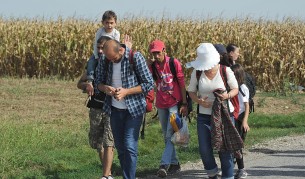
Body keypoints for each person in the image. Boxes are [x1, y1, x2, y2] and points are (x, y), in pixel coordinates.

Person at [96, 39, 154, 179]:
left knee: (129, 146)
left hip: (134, 110)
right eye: (109, 58)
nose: (111, 61)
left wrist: (126, 92)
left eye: (113, 58)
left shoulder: (135, 57)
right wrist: (105, 88)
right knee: (121, 148)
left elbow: (149, 84)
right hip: (114, 110)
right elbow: (98, 82)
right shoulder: (106, 59)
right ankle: (127, 176)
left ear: (121, 50)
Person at [187, 43, 242, 179]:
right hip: (204, 116)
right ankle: (212, 173)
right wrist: (199, 101)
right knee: (205, 149)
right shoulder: (197, 72)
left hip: (224, 115)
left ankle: (228, 176)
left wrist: (227, 96)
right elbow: (191, 91)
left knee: (225, 149)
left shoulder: (225, 71)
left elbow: (235, 89)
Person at [146, 39, 188, 178]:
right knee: (166, 135)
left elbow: (181, 84)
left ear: (164, 50)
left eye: (158, 53)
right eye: (154, 53)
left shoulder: (173, 63)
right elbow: (148, 81)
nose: (156, 56)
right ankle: (175, 164)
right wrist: (147, 66)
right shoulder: (153, 66)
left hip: (174, 104)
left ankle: (164, 165)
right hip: (161, 104)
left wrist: (184, 103)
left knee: (170, 134)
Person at [77, 35, 114, 179]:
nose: (99, 51)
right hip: (95, 108)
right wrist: (86, 85)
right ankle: (107, 170)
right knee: (97, 142)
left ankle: (107, 174)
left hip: (111, 108)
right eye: (98, 48)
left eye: (102, 48)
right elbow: (79, 83)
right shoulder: (92, 66)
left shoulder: (114, 65)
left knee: (108, 141)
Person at [86, 10, 121, 95]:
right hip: (99, 53)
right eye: (107, 23)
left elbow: (116, 46)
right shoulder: (100, 31)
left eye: (111, 23)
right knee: (91, 63)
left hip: (109, 54)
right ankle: (90, 80)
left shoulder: (116, 33)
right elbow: (96, 44)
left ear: (115, 23)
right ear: (103, 23)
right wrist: (96, 56)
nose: (109, 25)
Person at [231, 64, 250, 179]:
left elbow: (246, 106)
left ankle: (242, 170)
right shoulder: (231, 87)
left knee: (237, 145)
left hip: (240, 117)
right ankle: (229, 167)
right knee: (231, 144)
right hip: (232, 116)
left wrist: (245, 121)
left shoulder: (242, 87)